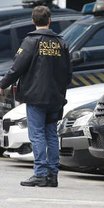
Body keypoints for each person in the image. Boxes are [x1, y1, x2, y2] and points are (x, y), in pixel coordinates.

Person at [0, 6, 72, 187]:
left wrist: (2, 85)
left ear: (33, 21)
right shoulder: (61, 43)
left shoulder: (31, 41)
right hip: (55, 97)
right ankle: (53, 175)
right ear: (50, 20)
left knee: (37, 134)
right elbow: (69, 73)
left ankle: (40, 173)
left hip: (36, 96)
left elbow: (17, 67)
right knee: (51, 135)